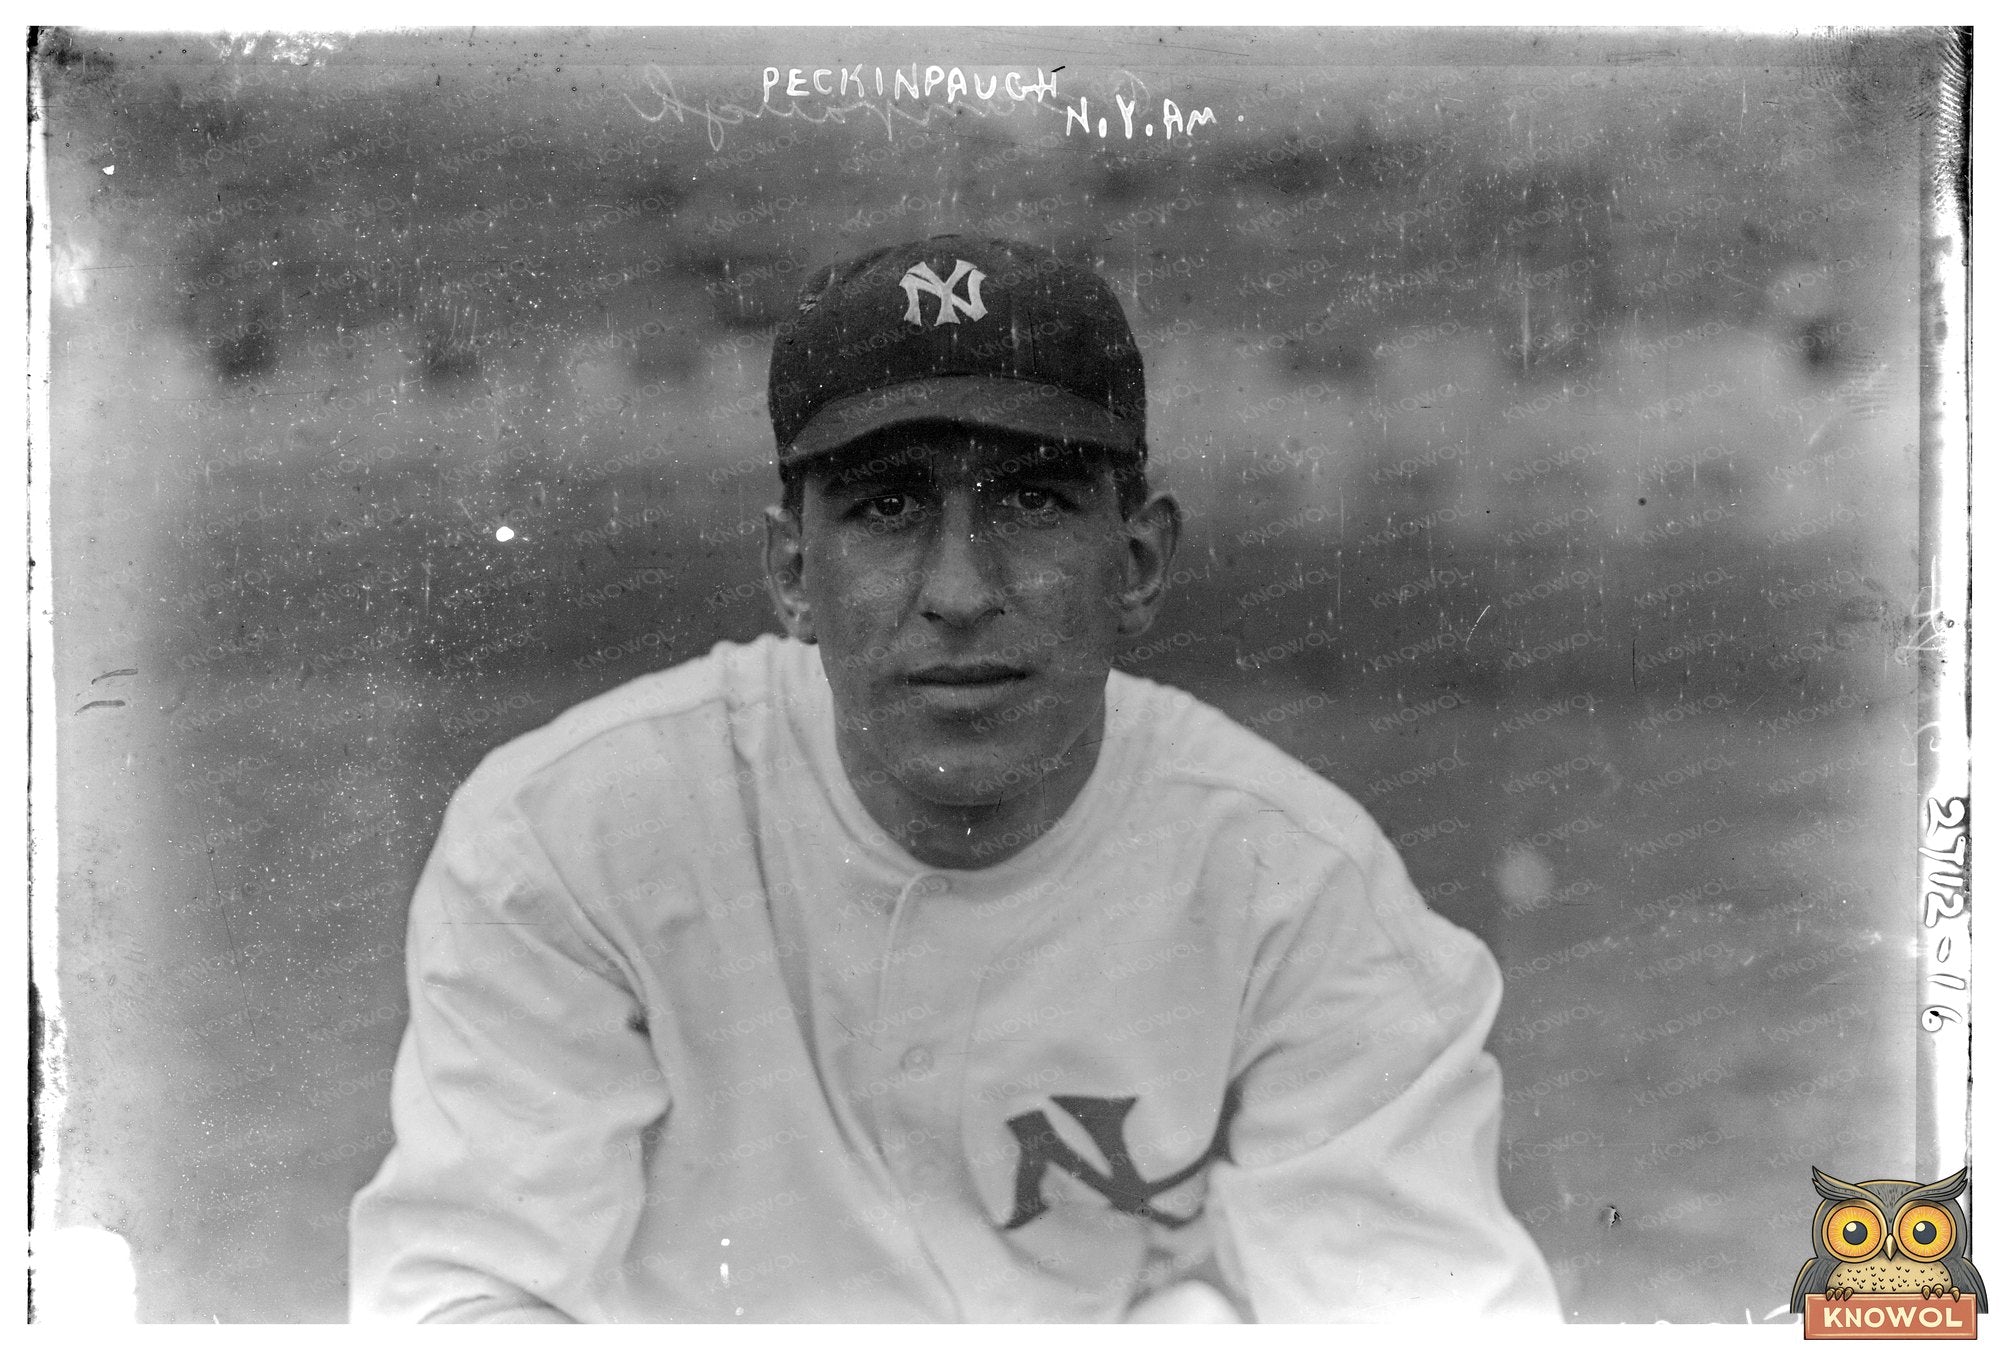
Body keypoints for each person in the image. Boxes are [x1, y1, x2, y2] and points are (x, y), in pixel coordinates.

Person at [348, 234, 1561, 1323]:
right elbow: (462, 1296)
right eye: (884, 507)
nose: (959, 591)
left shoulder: (1300, 888)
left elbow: (1425, 1311)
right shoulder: (568, 834)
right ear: (787, 572)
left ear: (1136, 563)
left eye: (1032, 500)